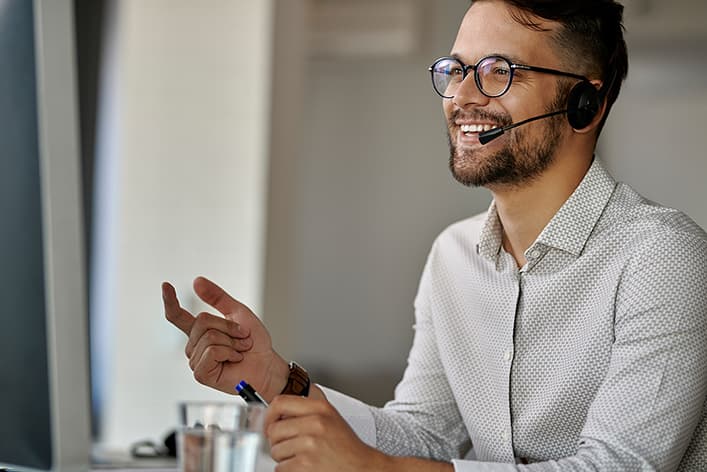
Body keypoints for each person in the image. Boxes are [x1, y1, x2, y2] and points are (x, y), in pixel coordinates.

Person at [163, 0, 707, 470]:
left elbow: (620, 467)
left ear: (584, 105)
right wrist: (280, 380)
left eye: (498, 70)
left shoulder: (663, 257)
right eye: (456, 69)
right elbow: (424, 435)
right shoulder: (452, 256)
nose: (462, 97)